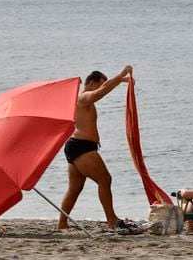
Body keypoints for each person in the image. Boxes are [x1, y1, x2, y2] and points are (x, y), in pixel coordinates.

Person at [57, 65, 139, 234]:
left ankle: (62, 224)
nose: (103, 87)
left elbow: (101, 90)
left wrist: (121, 81)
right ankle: (111, 220)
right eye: (101, 84)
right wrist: (121, 75)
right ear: (92, 82)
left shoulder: (81, 99)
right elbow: (99, 93)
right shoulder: (84, 97)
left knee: (74, 189)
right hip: (82, 147)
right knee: (105, 180)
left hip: (75, 146)